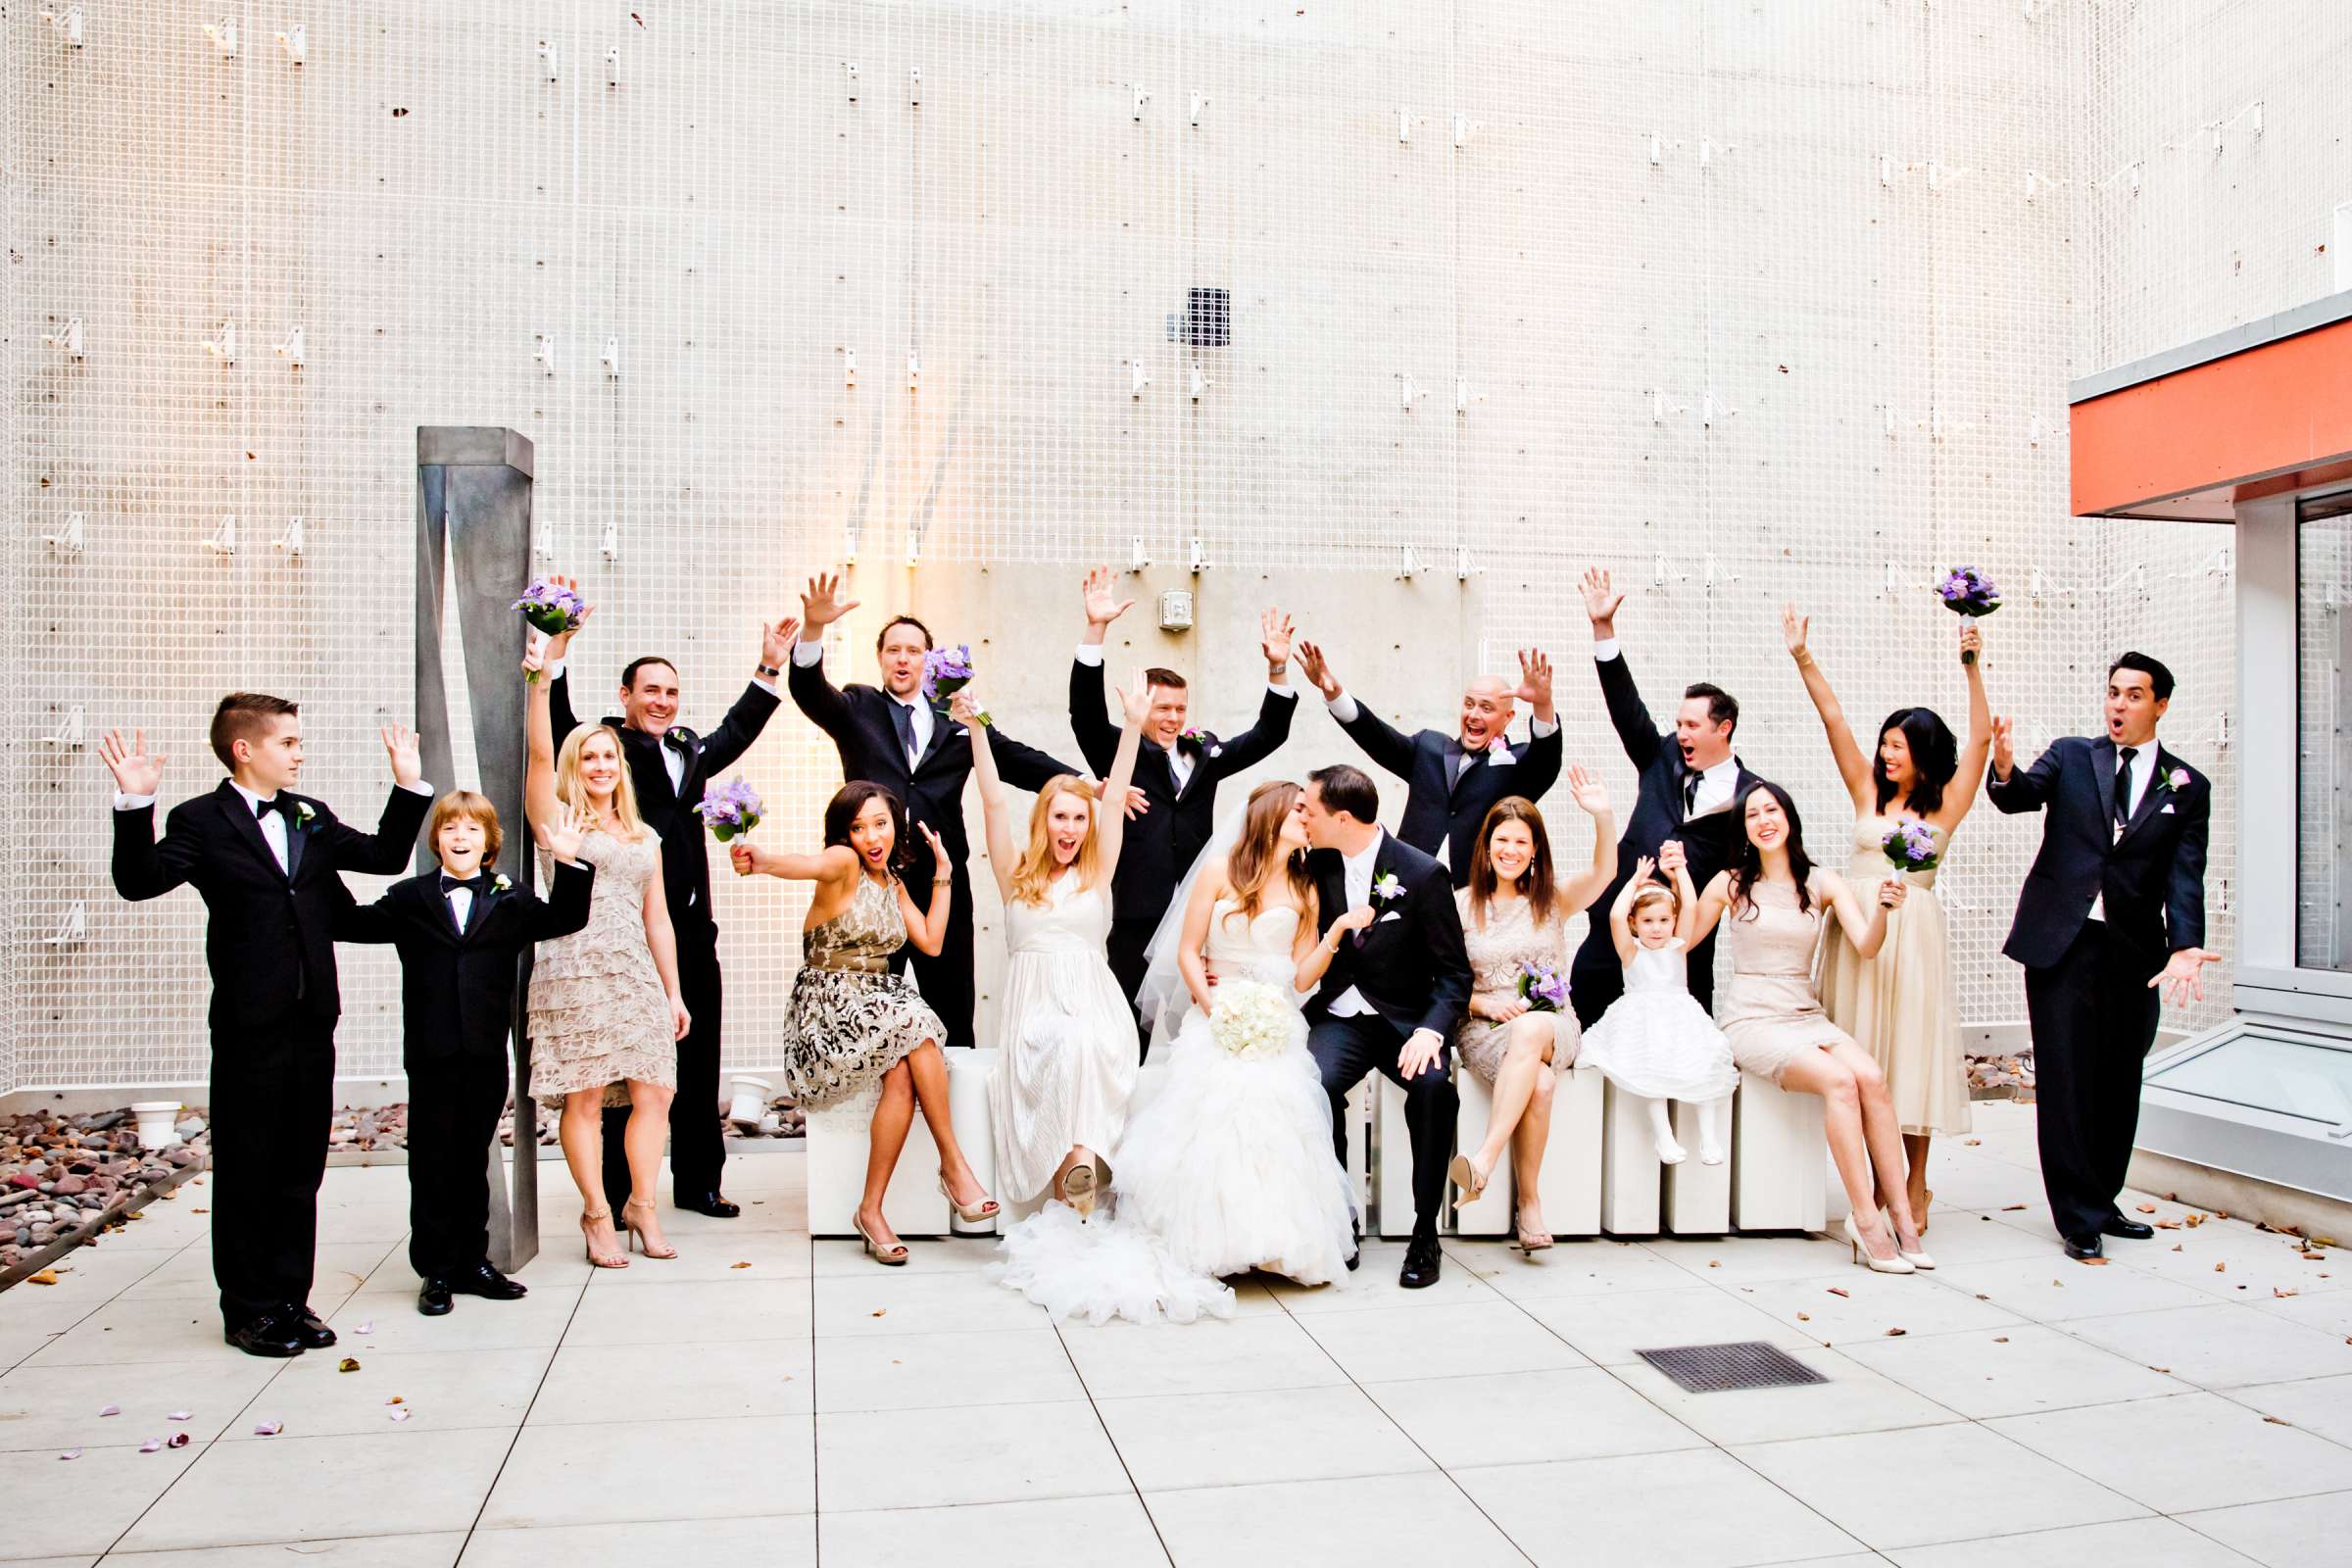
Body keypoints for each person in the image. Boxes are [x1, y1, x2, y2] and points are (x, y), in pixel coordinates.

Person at [101, 702, 431, 1357]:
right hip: (250, 1022)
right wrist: (134, 805)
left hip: (313, 1018)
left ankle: (290, 1298)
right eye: (288, 742)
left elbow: (385, 856)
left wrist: (407, 784)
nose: (299, 752)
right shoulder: (200, 819)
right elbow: (138, 882)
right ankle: (247, 1309)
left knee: (299, 1166)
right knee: (250, 1165)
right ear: (245, 749)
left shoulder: (307, 813)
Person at [1000, 780, 1359, 1324]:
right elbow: (1190, 951)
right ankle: (1212, 1243)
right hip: (1216, 1010)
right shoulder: (1220, 872)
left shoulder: (1305, 888)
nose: (1309, 820)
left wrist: (1334, 934)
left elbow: (1303, 975)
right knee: (1215, 1104)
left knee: (1275, 1107)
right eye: (1300, 812)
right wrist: (1214, 1007)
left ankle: (1271, 1242)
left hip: (1273, 1015)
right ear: (1272, 817)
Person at [543, 576, 793, 1222]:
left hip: (690, 928)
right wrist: (559, 650)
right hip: (624, 933)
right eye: (650, 690)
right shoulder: (608, 750)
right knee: (623, 1068)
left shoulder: (686, 748)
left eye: (671, 692)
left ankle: (698, 1184)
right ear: (625, 696)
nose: (662, 701)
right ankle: (620, 1192)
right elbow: (559, 727)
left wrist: (769, 666)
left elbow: (735, 731)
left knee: (697, 1057)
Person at [788, 570, 1083, 1049]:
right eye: (892, 650)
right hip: (872, 882)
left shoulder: (958, 716)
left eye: (913, 650)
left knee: (951, 1005)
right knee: (869, 1009)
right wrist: (814, 631)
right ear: (880, 658)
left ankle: (954, 1110)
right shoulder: (857, 706)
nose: (902, 659)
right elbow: (809, 692)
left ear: (928, 660)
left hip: (942, 881)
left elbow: (1014, 758)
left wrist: (1087, 786)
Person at [1987, 654, 2213, 1261]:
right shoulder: (2070, 756)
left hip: (2136, 952)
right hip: (2063, 941)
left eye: (2134, 696)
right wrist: (2004, 765)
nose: (2118, 705)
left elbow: (2185, 874)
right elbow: (2018, 796)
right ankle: (2076, 1215)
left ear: (2160, 705)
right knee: (2065, 1076)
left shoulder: (2186, 786)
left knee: (2120, 1077)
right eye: (2113, 693)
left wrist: (2187, 944)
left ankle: (2102, 1197)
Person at [335, 792, 595, 1315]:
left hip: (483, 1050)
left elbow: (567, 916)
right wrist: (318, 871)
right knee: (432, 1160)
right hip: (430, 1052)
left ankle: (472, 1261)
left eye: (472, 830)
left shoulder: (510, 898)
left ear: (489, 844)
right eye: (451, 829)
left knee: (473, 1154)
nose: (460, 837)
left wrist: (567, 861)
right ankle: (434, 1267)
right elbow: (352, 924)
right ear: (436, 841)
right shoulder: (410, 898)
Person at [1785, 606, 1992, 1233]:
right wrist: (1802, 656)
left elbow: (1981, 740)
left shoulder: (1946, 806)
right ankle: (1873, 1184)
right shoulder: (1867, 792)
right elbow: (1834, 719)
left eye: (1898, 746)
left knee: (1911, 1056)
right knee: (1864, 1054)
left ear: (1925, 754)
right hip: (1857, 933)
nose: (1885, 753)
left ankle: (1914, 1181)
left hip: (1915, 936)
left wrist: (1973, 667)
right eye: (1885, 744)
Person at [734, 782, 999, 1263]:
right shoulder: (844, 863)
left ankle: (870, 1210)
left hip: (877, 1003)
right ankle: (954, 1167)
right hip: (828, 1005)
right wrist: (762, 860)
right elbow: (803, 864)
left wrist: (944, 873)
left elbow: (932, 942)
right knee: (917, 1029)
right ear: (844, 834)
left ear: (895, 824)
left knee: (903, 1070)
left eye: (880, 823)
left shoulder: (892, 882)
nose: (872, 836)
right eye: (858, 827)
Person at [1687, 781, 1931, 1274]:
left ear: (1789, 818)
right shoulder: (1730, 883)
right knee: (1840, 1082)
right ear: (1745, 830)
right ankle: (1864, 1219)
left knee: (1872, 1080)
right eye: (1752, 815)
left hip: (1805, 1012)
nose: (1763, 820)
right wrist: (1674, 880)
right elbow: (1683, 939)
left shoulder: (1821, 881)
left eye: (1771, 809)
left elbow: (1866, 944)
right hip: (1751, 1018)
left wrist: (1883, 908)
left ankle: (1902, 1215)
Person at [1069, 567, 1298, 1050]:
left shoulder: (1206, 756)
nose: (1173, 718)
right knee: (1126, 1028)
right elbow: (1085, 716)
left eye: (1179, 708)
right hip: (1135, 911)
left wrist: (1277, 669)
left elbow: (1267, 735)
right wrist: (1096, 632)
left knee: (1187, 1033)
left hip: (1201, 914)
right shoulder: (1121, 748)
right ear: (1141, 708)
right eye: (1162, 708)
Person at [522, 640, 690, 1268]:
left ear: (621, 766)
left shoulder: (645, 835)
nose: (600, 766)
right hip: (574, 967)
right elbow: (540, 753)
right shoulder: (559, 820)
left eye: (609, 757)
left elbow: (660, 919)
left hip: (635, 973)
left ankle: (642, 1205)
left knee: (655, 1092)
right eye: (589, 757)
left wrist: (673, 992)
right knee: (586, 1098)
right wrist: (542, 680)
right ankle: (596, 1212)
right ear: (576, 767)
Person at [962, 673, 1148, 1209]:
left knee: (1088, 1041)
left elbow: (1113, 801)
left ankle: (1079, 1169)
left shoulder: (1097, 872)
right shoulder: (1015, 873)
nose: (1070, 828)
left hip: (1093, 1000)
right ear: (1044, 821)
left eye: (1078, 819)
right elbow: (994, 803)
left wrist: (1133, 727)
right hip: (1034, 1006)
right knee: (1065, 1043)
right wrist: (978, 727)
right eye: (1060, 817)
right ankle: (1080, 1175)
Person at [1299, 763, 1473, 1289]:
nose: (1302, 816)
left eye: (1310, 808)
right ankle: (1342, 1217)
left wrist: (1431, 1031)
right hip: (1341, 1018)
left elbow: (1454, 972)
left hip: (1406, 1023)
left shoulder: (1422, 874)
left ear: (1343, 818)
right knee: (1313, 1085)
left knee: (1434, 1091)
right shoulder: (1314, 866)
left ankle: (1426, 1233)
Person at [1570, 566, 1759, 1025]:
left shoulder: (1751, 795)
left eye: (1692, 726)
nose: (1682, 733)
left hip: (1682, 942)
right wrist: (1603, 630)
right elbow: (1626, 709)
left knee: (1677, 1039)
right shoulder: (1662, 757)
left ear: (1723, 728)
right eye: (1679, 724)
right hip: (1615, 921)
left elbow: (1742, 873)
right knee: (1588, 1019)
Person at [1446, 784, 1617, 1251]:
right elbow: (1442, 980)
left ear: (1535, 850)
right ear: (1486, 845)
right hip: (1485, 1028)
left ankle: (1483, 1159)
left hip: (1552, 1024)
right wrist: (1483, 1005)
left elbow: (1606, 871)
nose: (1511, 850)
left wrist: (1601, 815)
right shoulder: (1461, 905)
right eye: (1503, 840)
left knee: (1532, 1027)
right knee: (1540, 1085)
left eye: (1522, 842)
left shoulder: (1553, 899)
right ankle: (1530, 1203)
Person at [1294, 639, 1561, 886]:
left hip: (1476, 896)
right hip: (1406, 887)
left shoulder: (1517, 763)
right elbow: (1376, 737)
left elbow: (1546, 762)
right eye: (1469, 704)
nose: (1474, 714)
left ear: (1508, 717)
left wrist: (1542, 704)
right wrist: (1335, 694)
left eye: (1487, 708)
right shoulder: (1429, 747)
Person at [1578, 848, 1739, 1167]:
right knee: (1648, 1066)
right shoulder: (1630, 952)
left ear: (1674, 921)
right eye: (1648, 921)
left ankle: (1709, 1136)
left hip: (1681, 1017)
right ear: (1634, 924)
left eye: (1664, 920)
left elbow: (1691, 905)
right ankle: (1663, 1136)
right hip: (1642, 1020)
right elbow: (1613, 915)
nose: (1656, 928)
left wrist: (1679, 871)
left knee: (1706, 1060)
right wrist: (1635, 880)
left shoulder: (1678, 947)